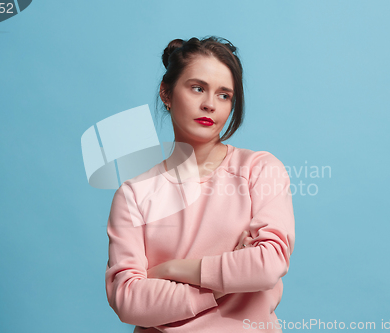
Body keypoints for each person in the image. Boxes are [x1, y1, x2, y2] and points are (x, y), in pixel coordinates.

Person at [105, 36, 295, 332]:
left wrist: (172, 270)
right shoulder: (134, 194)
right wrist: (228, 278)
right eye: (198, 88)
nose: (209, 105)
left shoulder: (260, 170)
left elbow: (268, 265)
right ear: (166, 94)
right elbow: (128, 300)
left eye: (224, 95)